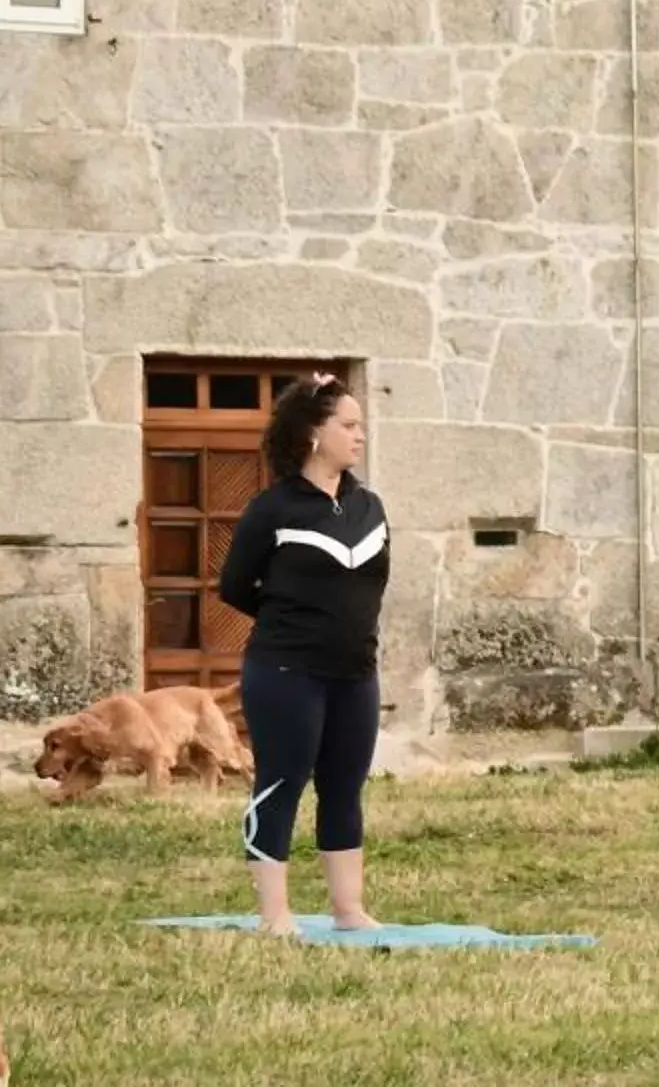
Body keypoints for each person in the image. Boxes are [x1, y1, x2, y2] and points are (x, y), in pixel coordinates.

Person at [219, 373, 392, 937]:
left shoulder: (370, 507)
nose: (359, 435)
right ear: (314, 434)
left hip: (355, 673)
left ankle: (349, 909)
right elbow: (236, 587)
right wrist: (291, 624)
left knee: (344, 785)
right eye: (348, 424)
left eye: (361, 424)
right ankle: (275, 915)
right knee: (282, 780)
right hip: (285, 672)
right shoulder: (273, 508)